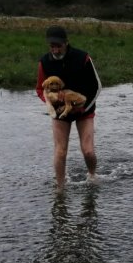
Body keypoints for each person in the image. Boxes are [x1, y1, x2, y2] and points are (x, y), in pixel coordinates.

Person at [36, 26, 102, 189]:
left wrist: (83, 108)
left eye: (58, 45)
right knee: (60, 151)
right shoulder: (44, 62)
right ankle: (59, 189)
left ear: (66, 43)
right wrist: (50, 102)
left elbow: (97, 86)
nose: (55, 49)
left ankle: (92, 176)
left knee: (88, 151)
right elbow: (40, 89)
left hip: (83, 109)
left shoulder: (83, 58)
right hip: (60, 112)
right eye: (52, 46)